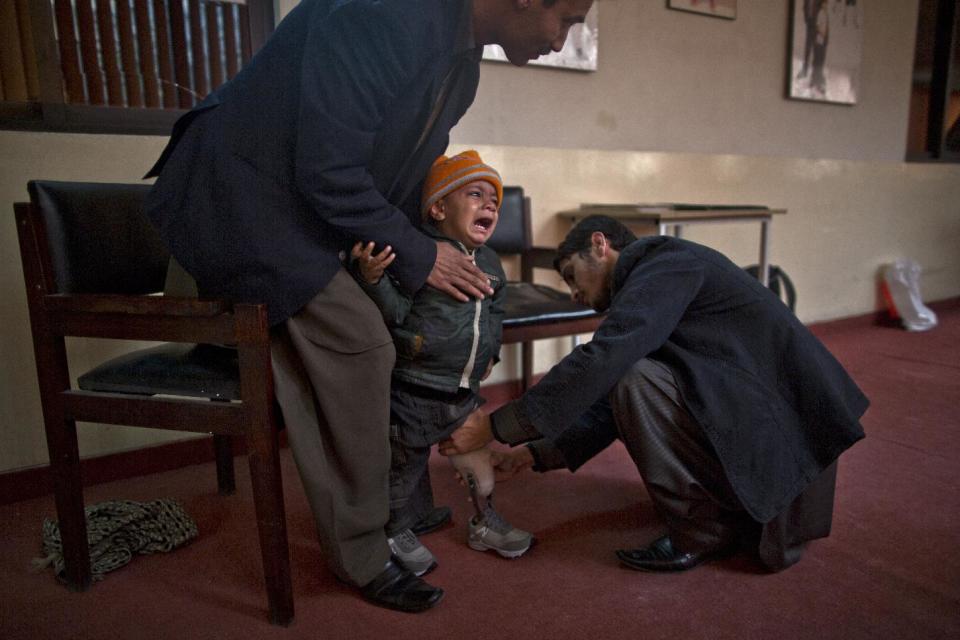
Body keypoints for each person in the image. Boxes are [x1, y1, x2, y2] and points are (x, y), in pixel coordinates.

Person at [143, 0, 594, 614]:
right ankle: (364, 551)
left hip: (302, 209)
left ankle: (395, 500)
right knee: (365, 344)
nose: (564, 39)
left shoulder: (461, 65)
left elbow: (401, 185)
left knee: (410, 306)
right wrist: (421, 256)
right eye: (566, 18)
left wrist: (436, 252)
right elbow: (329, 169)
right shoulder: (388, 10)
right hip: (237, 200)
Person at [440, 215, 868, 574]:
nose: (574, 294)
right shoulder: (662, 274)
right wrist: (530, 455)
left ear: (600, 244)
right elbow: (610, 392)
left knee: (632, 377)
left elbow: (608, 362)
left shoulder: (667, 263)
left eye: (572, 275)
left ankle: (702, 530)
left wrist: (495, 426)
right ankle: (717, 513)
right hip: (767, 429)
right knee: (630, 375)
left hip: (788, 447)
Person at [349, 151, 534, 577]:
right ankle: (396, 531)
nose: (490, 204)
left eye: (494, 200)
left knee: (477, 459)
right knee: (404, 468)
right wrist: (373, 280)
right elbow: (394, 312)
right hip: (416, 384)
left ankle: (484, 521)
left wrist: (492, 351)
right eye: (475, 193)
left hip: (464, 389)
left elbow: (495, 311)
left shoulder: (490, 263)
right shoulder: (421, 255)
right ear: (437, 208)